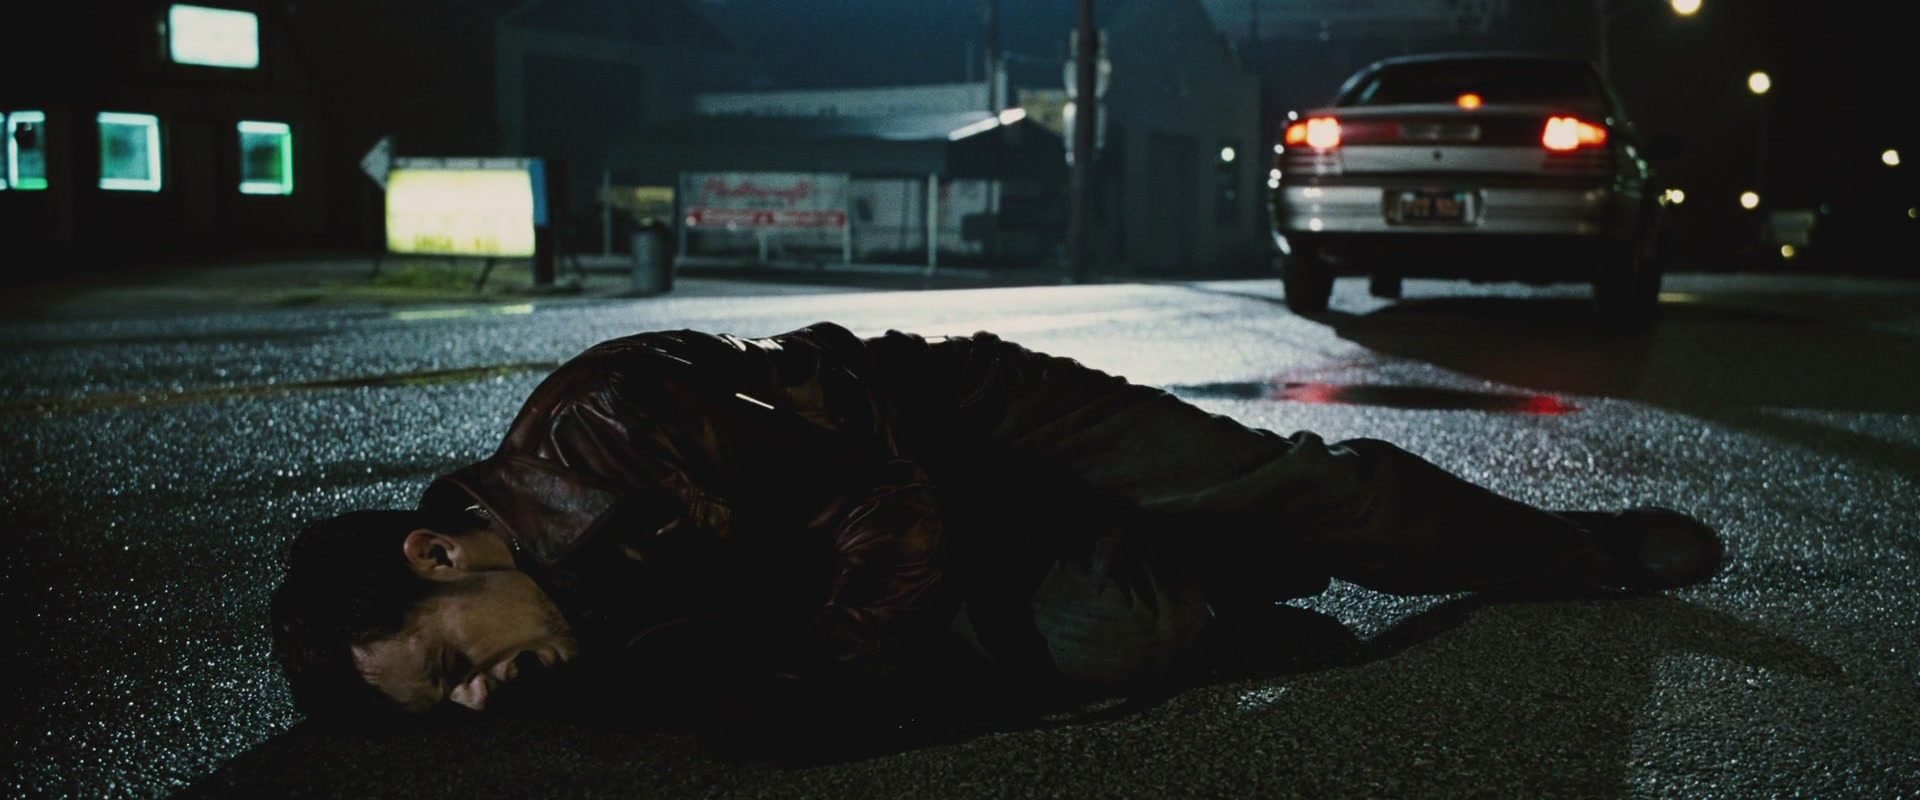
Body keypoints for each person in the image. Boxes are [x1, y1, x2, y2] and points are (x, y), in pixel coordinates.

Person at [269, 321, 1723, 750]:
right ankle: (1217, 571)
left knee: (1301, 492)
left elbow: (884, 508)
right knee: (1125, 632)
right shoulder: (569, 640)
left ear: (440, 557)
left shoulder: (602, 429)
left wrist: (848, 674)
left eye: (452, 665)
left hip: (971, 432)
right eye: (449, 710)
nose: (484, 700)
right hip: (932, 554)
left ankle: (1572, 550)